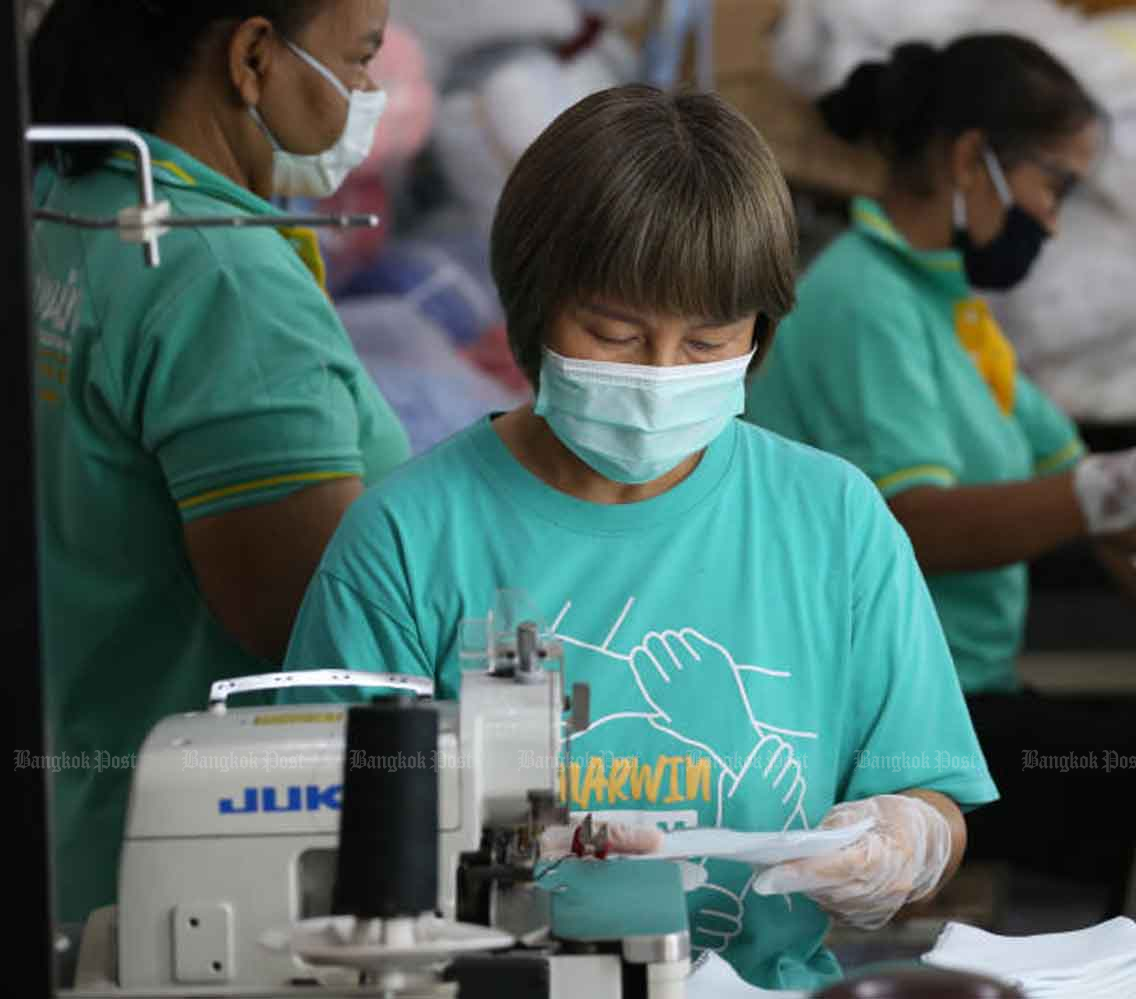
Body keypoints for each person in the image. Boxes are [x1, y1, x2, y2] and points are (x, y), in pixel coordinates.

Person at [280, 85, 997, 990]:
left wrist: (907, 839)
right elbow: (310, 847)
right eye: (615, 333)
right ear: (533, 308)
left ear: (760, 333)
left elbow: (930, 792)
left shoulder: (835, 522)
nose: (660, 377)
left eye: (707, 344)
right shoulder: (406, 541)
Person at [744, 36, 1136, 912]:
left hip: (959, 700)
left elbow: (1101, 496)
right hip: (874, 727)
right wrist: (1118, 487)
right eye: (1053, 185)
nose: (1053, 221)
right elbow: (918, 524)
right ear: (968, 160)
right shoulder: (866, 302)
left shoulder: (951, 312)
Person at [30, 0, 409, 929]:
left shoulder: (68, 207)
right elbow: (317, 643)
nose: (367, 94)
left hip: (82, 832)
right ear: (251, 57)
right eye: (358, 62)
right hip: (202, 892)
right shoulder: (222, 284)